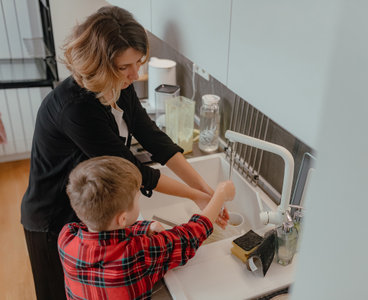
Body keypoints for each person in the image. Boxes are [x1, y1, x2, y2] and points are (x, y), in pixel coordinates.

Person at [21, 6, 229, 300]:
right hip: (54, 218)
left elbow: (154, 138)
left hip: (89, 212)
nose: (135, 74)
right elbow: (132, 170)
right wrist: (198, 197)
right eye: (124, 67)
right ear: (100, 64)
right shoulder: (76, 108)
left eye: (138, 63)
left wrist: (202, 189)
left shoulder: (120, 84)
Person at [58, 156, 235, 299]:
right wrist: (220, 195)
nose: (139, 200)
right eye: (137, 197)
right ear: (123, 219)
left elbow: (106, 237)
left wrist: (143, 228)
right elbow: (190, 236)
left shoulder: (66, 236)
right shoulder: (139, 253)